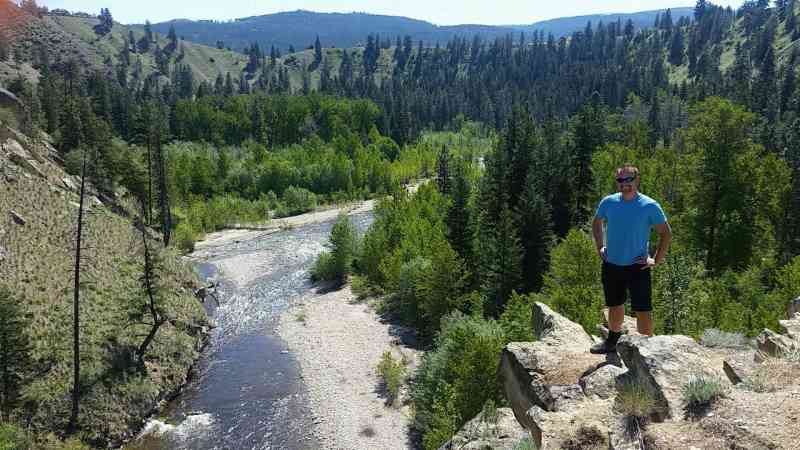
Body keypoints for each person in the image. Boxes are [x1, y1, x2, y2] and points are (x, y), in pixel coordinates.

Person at [589, 164, 672, 354]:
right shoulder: (608, 202)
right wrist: (600, 246)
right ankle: (612, 342)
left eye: (629, 179)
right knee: (615, 305)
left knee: (643, 310)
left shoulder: (649, 205)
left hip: (638, 266)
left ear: (637, 179)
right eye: (620, 180)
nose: (625, 184)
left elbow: (666, 234)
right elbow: (597, 222)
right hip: (612, 264)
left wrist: (656, 260)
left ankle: (647, 352)